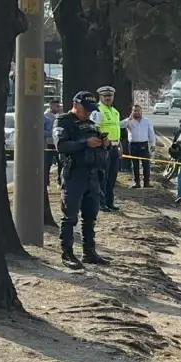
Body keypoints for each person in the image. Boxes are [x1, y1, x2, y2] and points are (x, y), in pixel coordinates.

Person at [54, 91, 111, 270]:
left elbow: (99, 147)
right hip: (74, 175)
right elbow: (61, 145)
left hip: (93, 175)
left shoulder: (91, 125)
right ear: (75, 105)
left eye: (90, 110)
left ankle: (89, 251)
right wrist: (85, 144)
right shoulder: (64, 122)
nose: (87, 113)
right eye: (85, 109)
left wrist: (104, 144)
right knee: (70, 216)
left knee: (90, 215)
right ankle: (67, 253)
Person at [94, 85, 122, 211]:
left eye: (110, 96)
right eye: (105, 96)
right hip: (103, 148)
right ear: (100, 96)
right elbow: (94, 129)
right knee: (103, 176)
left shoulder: (115, 111)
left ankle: (110, 202)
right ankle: (101, 202)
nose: (107, 98)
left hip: (115, 147)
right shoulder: (97, 110)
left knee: (112, 176)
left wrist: (119, 144)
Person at [121, 104, 158, 189]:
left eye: (138, 110)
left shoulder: (147, 121)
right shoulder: (129, 121)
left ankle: (146, 182)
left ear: (141, 112)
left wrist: (153, 144)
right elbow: (120, 125)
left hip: (144, 145)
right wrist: (128, 119)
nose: (136, 112)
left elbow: (151, 133)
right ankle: (136, 182)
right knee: (135, 165)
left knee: (146, 164)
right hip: (133, 145)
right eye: (134, 110)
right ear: (132, 112)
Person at [44, 99, 62, 189]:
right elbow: (42, 131)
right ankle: (45, 183)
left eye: (59, 106)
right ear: (51, 106)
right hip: (49, 143)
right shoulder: (45, 116)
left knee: (61, 163)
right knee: (47, 164)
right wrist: (52, 133)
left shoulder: (60, 116)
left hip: (58, 143)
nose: (58, 108)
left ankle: (60, 181)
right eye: (56, 106)